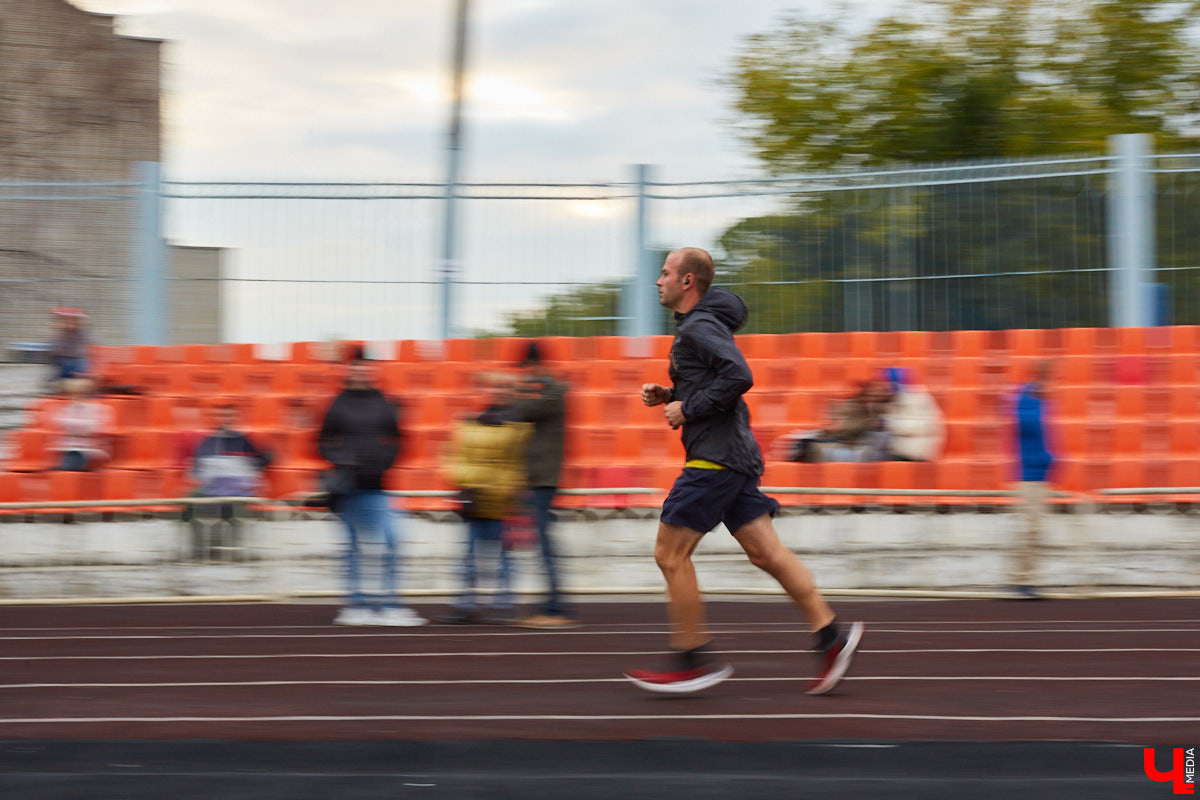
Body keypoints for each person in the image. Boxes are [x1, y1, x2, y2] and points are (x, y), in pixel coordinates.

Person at [624, 247, 864, 695]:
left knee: (669, 553)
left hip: (713, 459)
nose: (658, 281)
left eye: (664, 273)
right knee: (765, 553)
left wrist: (687, 407)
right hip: (733, 455)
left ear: (687, 281)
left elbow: (738, 376)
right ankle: (831, 636)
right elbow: (714, 379)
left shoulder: (698, 326)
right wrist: (670, 393)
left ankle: (692, 660)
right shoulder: (699, 327)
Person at [318, 348, 426, 626]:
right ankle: (355, 605)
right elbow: (322, 441)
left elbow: (398, 437)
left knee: (392, 540)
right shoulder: (337, 404)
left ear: (372, 370)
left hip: (378, 487)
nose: (360, 371)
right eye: (355, 366)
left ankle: (390, 604)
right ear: (348, 370)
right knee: (352, 548)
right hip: (348, 489)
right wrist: (340, 460)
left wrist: (385, 461)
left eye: (365, 366)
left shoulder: (383, 402)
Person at [437, 372, 533, 625]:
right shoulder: (470, 423)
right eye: (495, 386)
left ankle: (501, 605)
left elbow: (516, 464)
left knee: (502, 559)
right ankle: (467, 604)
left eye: (504, 386)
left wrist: (500, 487)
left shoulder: (519, 425)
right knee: (469, 557)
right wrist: (470, 483)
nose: (499, 391)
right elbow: (454, 458)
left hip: (501, 500)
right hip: (477, 498)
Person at [505, 341, 578, 629]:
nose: (525, 374)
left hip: (543, 480)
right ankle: (552, 601)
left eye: (527, 368)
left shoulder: (552, 395)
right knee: (543, 543)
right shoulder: (549, 392)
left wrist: (519, 387)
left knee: (546, 544)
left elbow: (518, 411)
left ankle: (557, 605)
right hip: (537, 478)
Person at [186, 402, 272, 561]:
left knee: (233, 507)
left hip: (238, 492)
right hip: (212, 491)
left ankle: (229, 550)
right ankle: (199, 549)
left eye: (229, 415)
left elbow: (266, 459)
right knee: (187, 502)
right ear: (215, 418)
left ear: (235, 418)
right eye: (222, 415)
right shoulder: (206, 442)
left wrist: (250, 479)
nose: (225, 419)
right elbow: (196, 471)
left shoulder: (245, 441)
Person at [1012, 360, 1054, 600]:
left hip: (1037, 474)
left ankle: (1025, 579)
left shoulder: (1038, 402)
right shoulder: (1028, 401)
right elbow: (1030, 431)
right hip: (1030, 475)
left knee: (1033, 530)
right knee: (1029, 529)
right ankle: (1022, 580)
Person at [49, 378, 113, 471]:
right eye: (73, 393)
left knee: (73, 456)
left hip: (90, 448)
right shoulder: (65, 408)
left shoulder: (103, 409)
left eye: (79, 393)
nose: (76, 397)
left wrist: (72, 428)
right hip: (67, 447)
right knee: (66, 455)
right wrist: (81, 427)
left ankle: (64, 471)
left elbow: (96, 428)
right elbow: (58, 423)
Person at [881, 367, 944, 462]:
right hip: (897, 450)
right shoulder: (889, 401)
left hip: (917, 451)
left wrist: (893, 425)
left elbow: (927, 426)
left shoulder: (920, 398)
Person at [47, 307, 92, 386]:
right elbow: (55, 353)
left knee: (80, 364)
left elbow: (87, 351)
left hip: (77, 364)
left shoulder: (81, 335)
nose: (69, 323)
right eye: (66, 321)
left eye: (72, 320)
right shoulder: (59, 336)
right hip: (63, 364)